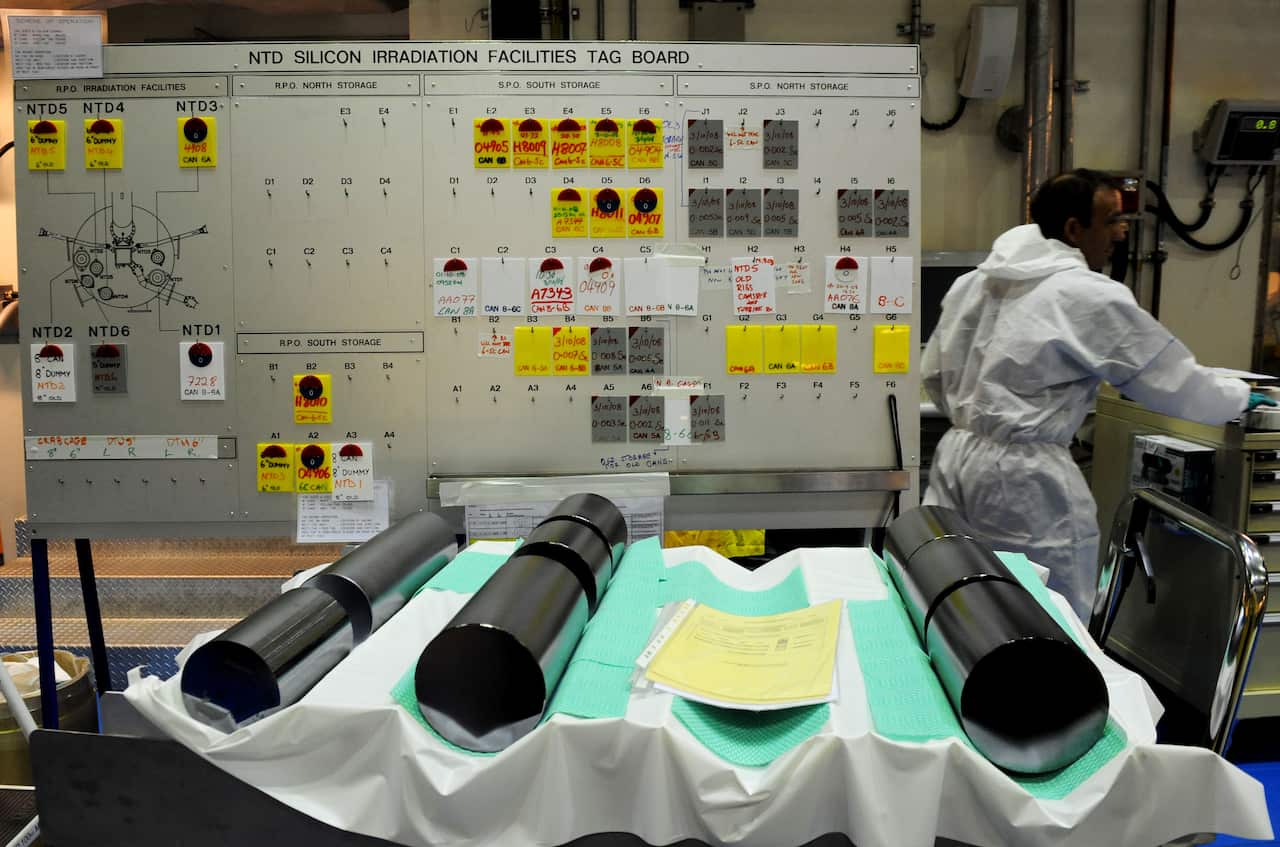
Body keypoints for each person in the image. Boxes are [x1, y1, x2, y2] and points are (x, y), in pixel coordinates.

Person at [922, 169, 1276, 622]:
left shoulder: (974, 283)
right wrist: (1236, 398)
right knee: (1048, 608)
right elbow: (1169, 380)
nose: (1121, 231)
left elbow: (934, 373)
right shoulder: (1086, 295)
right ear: (1074, 228)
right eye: (1111, 220)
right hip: (1025, 481)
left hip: (955, 459)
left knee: (960, 593)